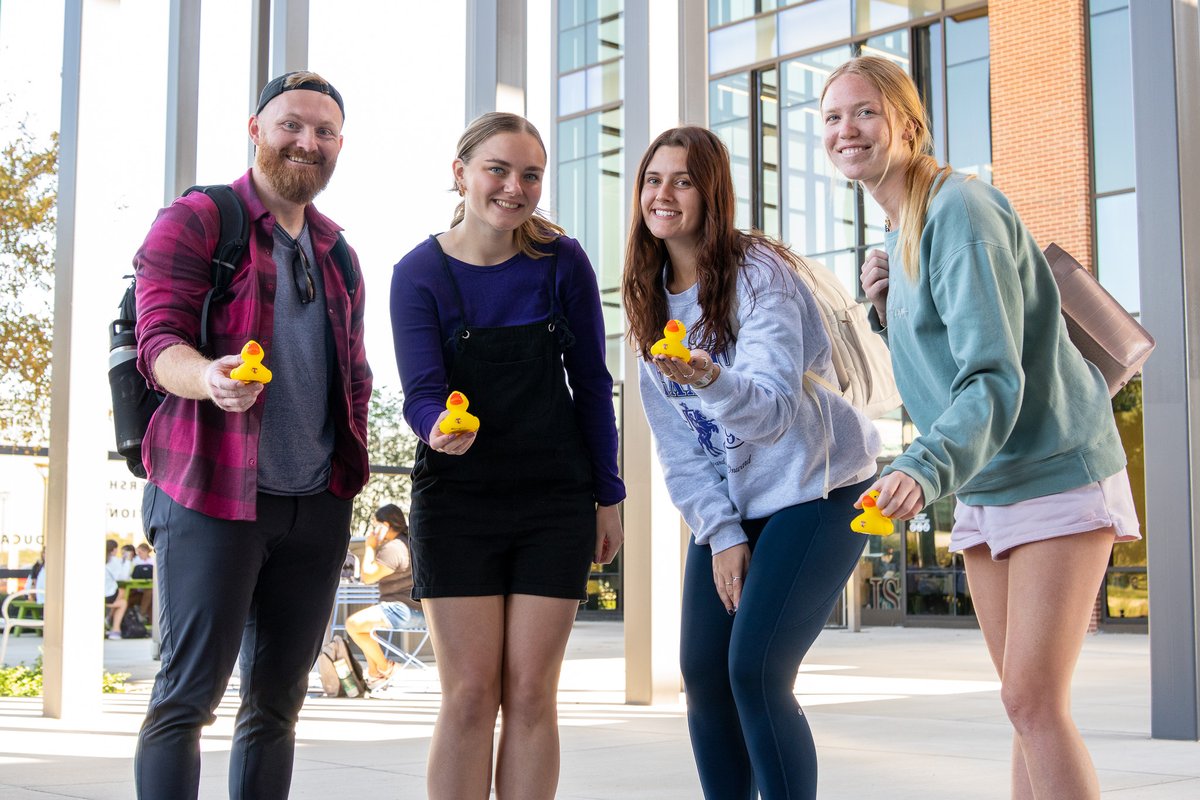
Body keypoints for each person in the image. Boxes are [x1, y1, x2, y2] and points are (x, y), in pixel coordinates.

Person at [821, 56, 1141, 799]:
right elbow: (943, 363)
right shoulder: (906, 230)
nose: (847, 130)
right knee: (1024, 710)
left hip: (1055, 469)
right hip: (988, 484)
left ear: (908, 125)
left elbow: (994, 374)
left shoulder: (960, 210)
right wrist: (887, 310)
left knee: (1034, 702)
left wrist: (921, 467)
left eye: (865, 111)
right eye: (833, 117)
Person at [621, 126, 882, 799]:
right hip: (738, 502)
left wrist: (709, 378)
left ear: (712, 194)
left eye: (683, 180)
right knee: (705, 674)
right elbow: (677, 445)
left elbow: (771, 413)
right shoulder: (649, 297)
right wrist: (722, 532)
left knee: (756, 672)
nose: (663, 194)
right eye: (653, 179)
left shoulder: (760, 274)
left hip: (820, 488)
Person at [131, 70, 371, 800]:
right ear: (256, 129)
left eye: (324, 131)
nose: (307, 142)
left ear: (339, 145)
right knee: (186, 699)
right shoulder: (201, 220)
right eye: (291, 124)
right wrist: (209, 377)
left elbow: (354, 375)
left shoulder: (337, 252)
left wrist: (345, 479)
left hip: (315, 503)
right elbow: (157, 341)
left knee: (277, 707)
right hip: (212, 492)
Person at [390, 111, 625, 800]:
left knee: (530, 691)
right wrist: (436, 427)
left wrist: (607, 497)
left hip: (555, 502)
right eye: (498, 169)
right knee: (469, 693)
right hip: (457, 503)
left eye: (531, 175)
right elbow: (421, 393)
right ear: (460, 174)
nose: (515, 188)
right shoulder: (419, 273)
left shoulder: (563, 261)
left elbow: (593, 384)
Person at [344, 504, 424, 690]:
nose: (373, 531)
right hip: (412, 609)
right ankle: (375, 673)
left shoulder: (394, 548)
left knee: (353, 624)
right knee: (362, 629)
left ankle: (386, 667)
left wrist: (369, 547)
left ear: (385, 525)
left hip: (404, 609)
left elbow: (368, 577)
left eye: (376, 525)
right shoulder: (406, 542)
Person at [103, 539, 130, 640]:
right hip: (108, 596)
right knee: (123, 599)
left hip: (101, 595)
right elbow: (123, 577)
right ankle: (115, 629)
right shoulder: (113, 560)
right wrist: (127, 560)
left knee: (120, 592)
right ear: (114, 550)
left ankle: (108, 617)